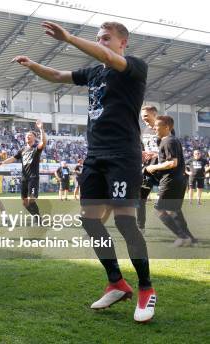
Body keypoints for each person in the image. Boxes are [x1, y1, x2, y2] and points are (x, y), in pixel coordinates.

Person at [13, 21, 155, 322]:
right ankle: (116, 281)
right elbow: (55, 75)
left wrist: (68, 37)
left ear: (122, 43)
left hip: (122, 155)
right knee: (90, 222)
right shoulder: (94, 73)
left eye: (106, 38)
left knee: (126, 223)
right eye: (98, 38)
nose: (101, 42)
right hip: (95, 157)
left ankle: (146, 289)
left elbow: (110, 59)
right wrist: (32, 65)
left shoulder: (134, 67)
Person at [145, 115, 197, 247]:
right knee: (174, 210)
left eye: (157, 126)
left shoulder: (168, 141)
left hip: (170, 180)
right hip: (178, 180)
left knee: (159, 209)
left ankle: (182, 237)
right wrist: (156, 155)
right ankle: (190, 238)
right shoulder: (172, 140)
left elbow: (173, 162)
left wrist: (153, 167)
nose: (155, 128)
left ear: (167, 127)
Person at [0, 120, 46, 216]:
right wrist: (3, 162)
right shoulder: (22, 150)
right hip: (24, 178)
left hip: (33, 177)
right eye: (26, 136)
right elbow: (13, 158)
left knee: (31, 199)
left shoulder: (36, 147)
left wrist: (41, 129)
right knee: (25, 203)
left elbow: (43, 142)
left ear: (34, 138)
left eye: (30, 135)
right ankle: (36, 216)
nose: (27, 136)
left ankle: (38, 219)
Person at [139, 105, 162, 230]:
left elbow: (170, 149)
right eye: (142, 116)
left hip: (162, 168)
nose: (144, 119)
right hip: (147, 168)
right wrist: (142, 154)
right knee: (140, 197)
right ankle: (140, 227)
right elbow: (142, 148)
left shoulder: (164, 127)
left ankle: (182, 233)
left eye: (146, 116)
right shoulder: (144, 130)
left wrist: (156, 154)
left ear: (154, 114)